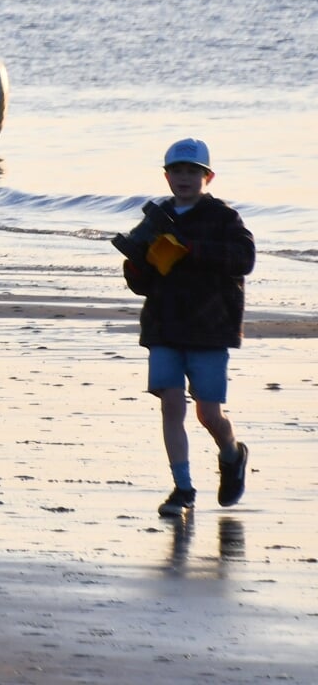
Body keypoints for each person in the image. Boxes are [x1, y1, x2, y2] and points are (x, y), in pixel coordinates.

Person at [111, 138, 254, 520]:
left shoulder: (224, 218)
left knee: (208, 413)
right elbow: (140, 283)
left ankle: (232, 453)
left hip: (210, 329)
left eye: (193, 171)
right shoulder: (156, 217)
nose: (184, 178)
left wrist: (190, 248)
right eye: (177, 171)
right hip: (164, 327)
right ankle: (183, 488)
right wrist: (139, 265)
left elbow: (244, 259)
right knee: (171, 407)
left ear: (208, 176)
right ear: (167, 175)